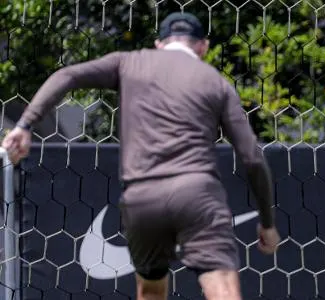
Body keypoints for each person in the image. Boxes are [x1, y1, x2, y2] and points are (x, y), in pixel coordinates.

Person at [1, 12, 280, 300]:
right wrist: (268, 224)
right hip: (197, 195)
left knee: (150, 290)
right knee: (222, 288)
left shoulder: (129, 62)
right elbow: (252, 157)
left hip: (142, 199)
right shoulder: (216, 82)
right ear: (203, 47)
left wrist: (25, 125)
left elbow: (66, 75)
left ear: (159, 44)